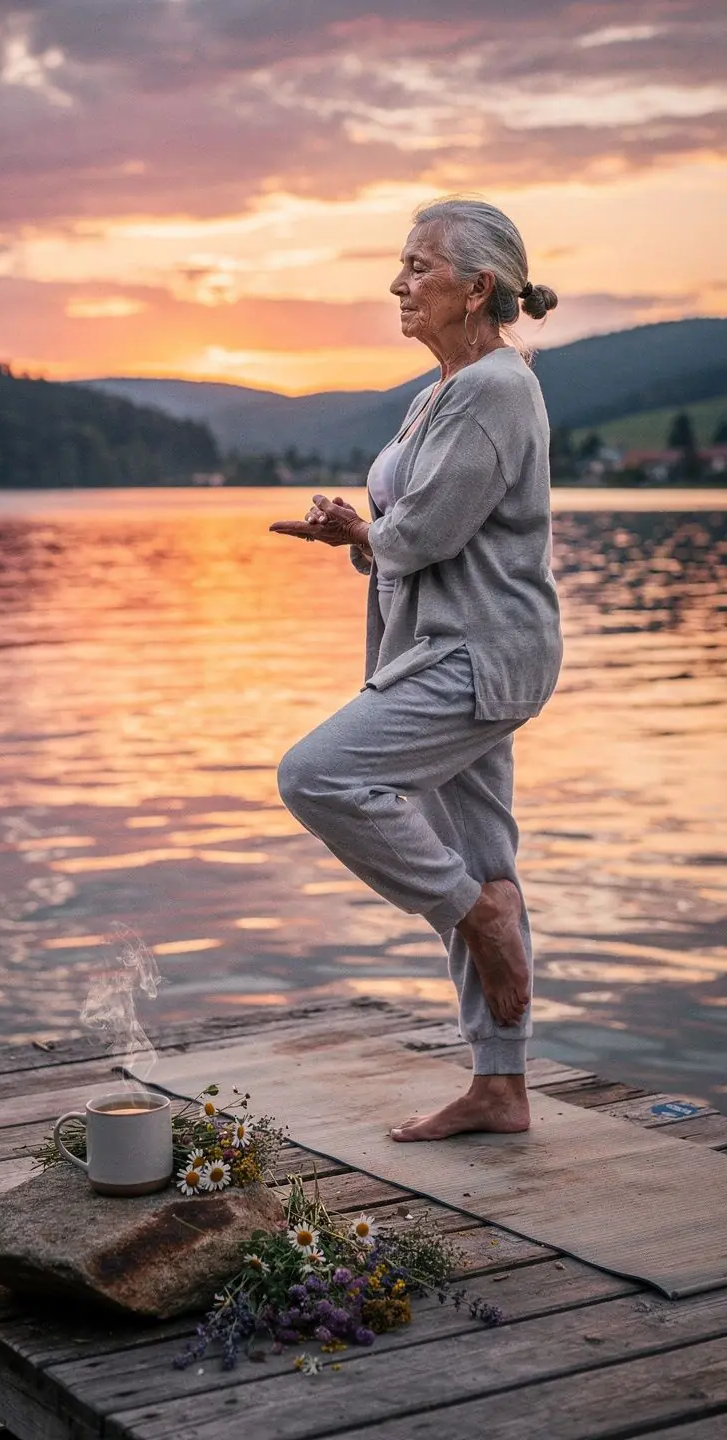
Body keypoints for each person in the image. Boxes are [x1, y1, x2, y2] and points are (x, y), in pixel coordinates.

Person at [269, 196, 562, 1142]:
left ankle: (479, 916)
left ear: (479, 287)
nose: (399, 283)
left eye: (419, 266)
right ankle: (500, 1086)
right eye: (400, 265)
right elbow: (417, 535)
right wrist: (356, 538)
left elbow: (428, 529)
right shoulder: (439, 391)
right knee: (477, 853)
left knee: (320, 776)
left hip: (475, 653)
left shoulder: (495, 389)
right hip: (440, 647)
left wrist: (370, 532)